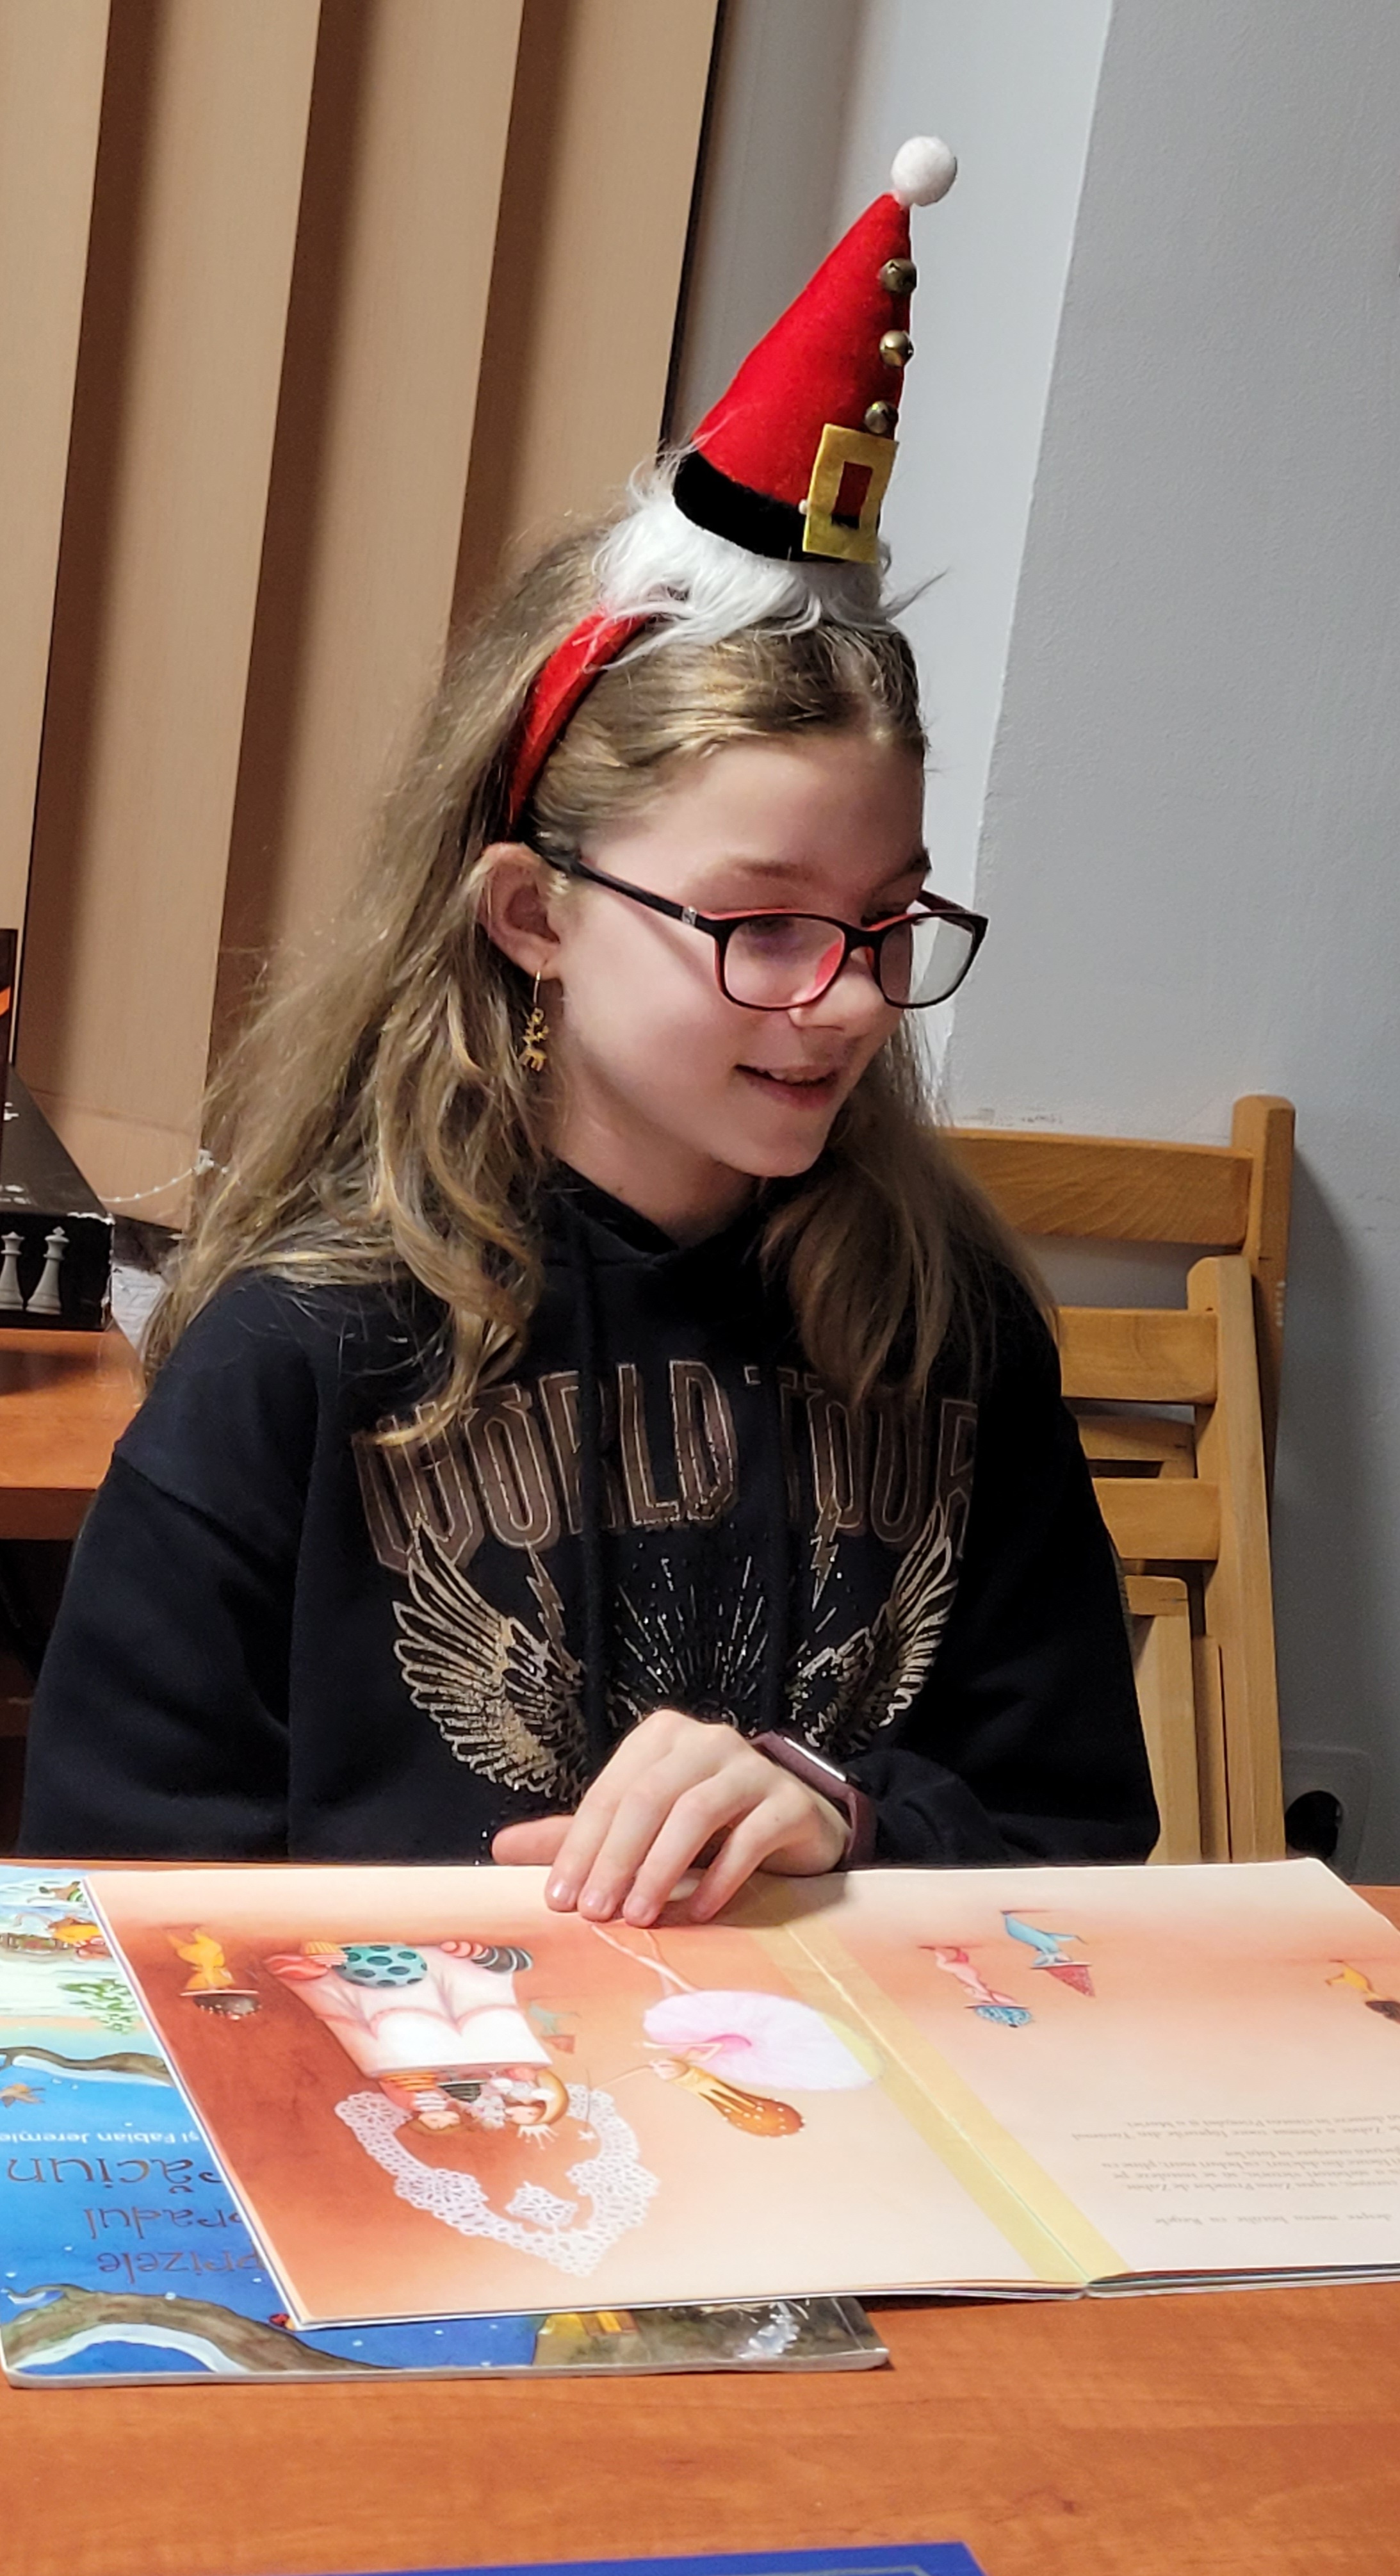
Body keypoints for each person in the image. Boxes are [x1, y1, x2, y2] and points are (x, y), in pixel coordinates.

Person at [19, 140, 1157, 1906]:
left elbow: (1079, 1844)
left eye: (883, 922)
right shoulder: (300, 1359)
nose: (852, 996)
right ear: (533, 916)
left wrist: (843, 1815)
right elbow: (110, 1910)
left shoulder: (947, 1331)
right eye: (762, 925)